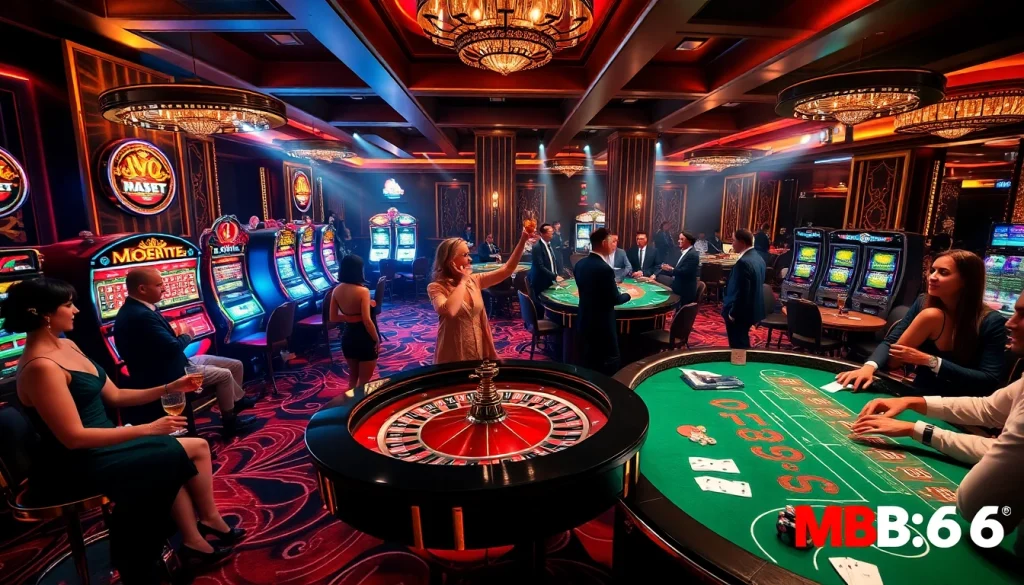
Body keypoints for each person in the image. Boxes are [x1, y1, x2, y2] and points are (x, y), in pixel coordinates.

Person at [9, 278, 243, 584]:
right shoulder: (41, 366)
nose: (77, 310)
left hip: (102, 440)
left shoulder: (67, 344)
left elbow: (116, 395)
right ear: (43, 314)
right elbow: (74, 437)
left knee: (187, 449)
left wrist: (170, 387)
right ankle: (156, 552)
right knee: (170, 454)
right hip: (75, 461)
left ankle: (201, 528)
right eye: (68, 305)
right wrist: (147, 429)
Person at [849, 292, 1024, 549]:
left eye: (1023, 315)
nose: (1012, 322)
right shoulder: (925, 304)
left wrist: (916, 429)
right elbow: (988, 408)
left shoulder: (989, 321)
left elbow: (974, 504)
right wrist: (914, 403)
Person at [836, 250, 1007, 396]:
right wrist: (869, 366)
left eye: (943, 272)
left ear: (966, 281)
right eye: (932, 270)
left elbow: (989, 380)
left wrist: (930, 361)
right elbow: (891, 342)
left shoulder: (991, 321)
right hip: (920, 393)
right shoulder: (923, 302)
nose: (932, 277)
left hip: (960, 402)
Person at [114, 268, 256, 438]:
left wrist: (176, 333)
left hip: (177, 361)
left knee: (235, 365)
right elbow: (172, 347)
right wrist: (188, 334)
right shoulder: (139, 315)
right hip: (169, 373)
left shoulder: (143, 308)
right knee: (224, 375)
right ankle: (230, 421)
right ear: (142, 289)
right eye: (159, 285)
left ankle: (236, 401)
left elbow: (161, 342)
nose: (165, 289)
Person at [428, 227, 532, 363]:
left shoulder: (475, 281)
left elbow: (507, 269)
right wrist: (462, 281)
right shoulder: (436, 287)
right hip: (453, 355)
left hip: (478, 350)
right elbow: (450, 311)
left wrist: (523, 239)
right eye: (465, 255)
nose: (470, 258)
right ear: (450, 261)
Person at [574, 228, 631, 375]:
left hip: (584, 320)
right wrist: (628, 295)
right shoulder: (604, 269)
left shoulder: (579, 264)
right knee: (609, 361)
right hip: (602, 325)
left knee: (588, 360)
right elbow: (615, 299)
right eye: (611, 242)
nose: (613, 245)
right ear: (604, 243)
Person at [329, 255, 380, 389]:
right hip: (364, 337)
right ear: (358, 270)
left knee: (352, 379)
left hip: (348, 336)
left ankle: (350, 406)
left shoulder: (336, 290)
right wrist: (376, 339)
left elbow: (333, 317)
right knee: (363, 382)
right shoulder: (363, 291)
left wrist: (348, 318)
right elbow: (367, 321)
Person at [721, 229, 766, 349]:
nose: (732, 244)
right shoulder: (758, 258)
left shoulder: (744, 262)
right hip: (752, 310)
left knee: (738, 345)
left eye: (733, 241)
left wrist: (732, 314)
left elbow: (742, 293)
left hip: (739, 313)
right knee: (742, 340)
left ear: (742, 242)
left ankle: (738, 366)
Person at [660, 232, 700, 305]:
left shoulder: (692, 255)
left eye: (682, 239)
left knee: (682, 314)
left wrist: (671, 269)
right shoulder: (686, 252)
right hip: (680, 287)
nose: (679, 241)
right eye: (679, 239)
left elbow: (685, 272)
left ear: (689, 241)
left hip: (685, 290)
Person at [530, 223, 563, 302]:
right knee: (541, 305)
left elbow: (552, 261)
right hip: (541, 281)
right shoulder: (537, 247)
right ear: (543, 234)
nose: (552, 233)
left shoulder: (550, 244)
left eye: (552, 231)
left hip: (549, 279)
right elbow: (540, 266)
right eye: (550, 232)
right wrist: (554, 276)